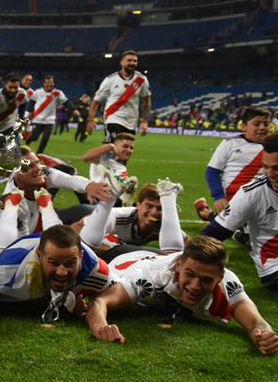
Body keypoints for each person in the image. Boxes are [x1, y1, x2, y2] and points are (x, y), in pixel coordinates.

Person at [87, 236, 278, 355]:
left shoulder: (227, 281)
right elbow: (100, 301)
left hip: (158, 256)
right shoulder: (148, 279)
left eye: (206, 280)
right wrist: (102, 327)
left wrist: (264, 335)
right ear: (179, 266)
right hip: (123, 259)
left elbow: (256, 322)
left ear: (219, 277)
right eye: (190, 275)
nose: (195, 286)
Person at [0, 224, 115, 321]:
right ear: (40, 256)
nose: (61, 272)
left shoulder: (94, 269)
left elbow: (118, 290)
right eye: (54, 263)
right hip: (15, 254)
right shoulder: (4, 271)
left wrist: (94, 305)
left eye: (69, 264)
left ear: (80, 257)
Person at [0, 149, 114, 256]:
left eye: (37, 162)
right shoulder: (13, 204)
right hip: (21, 236)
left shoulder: (43, 173)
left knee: (87, 211)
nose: (38, 168)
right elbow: (19, 250)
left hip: (39, 222)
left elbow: (71, 180)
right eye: (29, 166)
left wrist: (90, 186)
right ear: (14, 174)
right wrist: (76, 238)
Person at [201, 133, 278, 291]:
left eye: (277, 168)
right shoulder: (251, 193)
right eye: (265, 167)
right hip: (274, 268)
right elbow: (214, 233)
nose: (270, 174)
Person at [194, 106, 272, 221]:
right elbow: (212, 172)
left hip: (263, 200)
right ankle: (209, 214)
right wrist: (218, 197)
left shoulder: (273, 146)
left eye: (266, 124)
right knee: (239, 228)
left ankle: (207, 213)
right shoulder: (230, 143)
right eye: (256, 124)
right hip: (232, 199)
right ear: (244, 126)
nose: (262, 127)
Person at [77, 180, 186, 259]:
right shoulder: (118, 217)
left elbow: (186, 244)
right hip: (83, 213)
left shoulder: (162, 224)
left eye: (160, 208)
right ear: (138, 205)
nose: (154, 212)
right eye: (149, 206)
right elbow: (80, 225)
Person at [88, 50, 151, 142]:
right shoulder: (110, 80)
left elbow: (147, 101)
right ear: (121, 62)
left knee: (125, 149)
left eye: (135, 61)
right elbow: (96, 101)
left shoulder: (141, 80)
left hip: (131, 122)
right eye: (129, 60)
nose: (132, 63)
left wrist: (144, 121)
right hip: (113, 118)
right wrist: (91, 120)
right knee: (114, 146)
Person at [82, 131, 138, 204]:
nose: (129, 150)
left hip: (113, 201)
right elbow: (86, 158)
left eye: (131, 148)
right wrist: (110, 146)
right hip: (100, 200)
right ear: (115, 146)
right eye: (125, 146)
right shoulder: (104, 159)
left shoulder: (122, 167)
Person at [26, 75, 67, 154]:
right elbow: (32, 102)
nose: (49, 84)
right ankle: (29, 140)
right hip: (37, 119)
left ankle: (39, 154)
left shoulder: (57, 93)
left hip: (49, 120)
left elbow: (66, 102)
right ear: (44, 84)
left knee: (45, 138)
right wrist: (29, 112)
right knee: (34, 137)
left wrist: (74, 109)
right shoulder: (38, 92)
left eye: (51, 82)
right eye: (47, 82)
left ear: (53, 83)